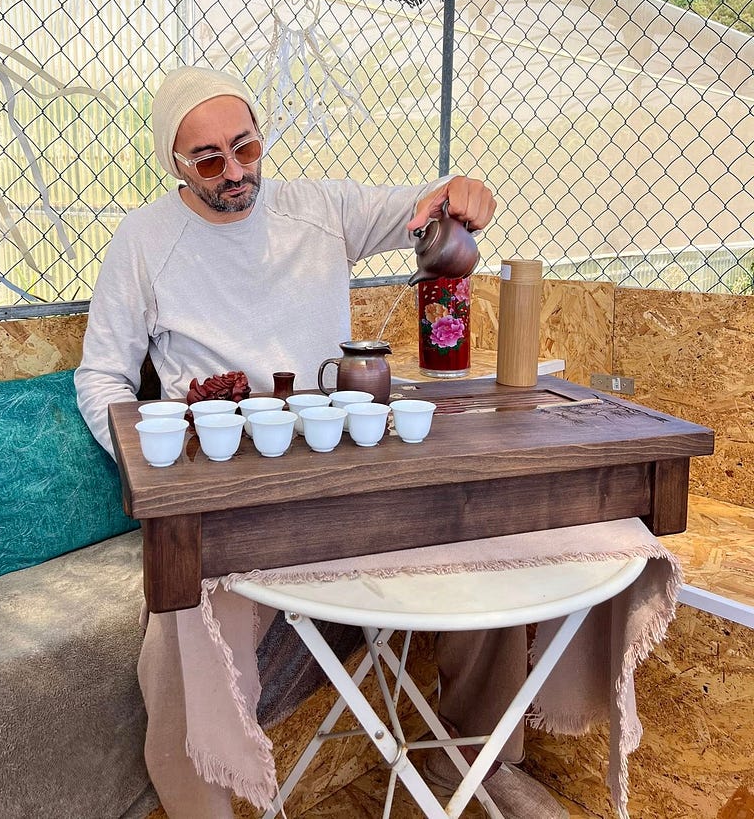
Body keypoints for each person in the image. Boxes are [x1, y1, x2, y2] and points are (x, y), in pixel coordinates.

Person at [75, 65, 567, 819]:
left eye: (246, 147)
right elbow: (102, 376)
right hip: (229, 492)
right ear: (173, 163)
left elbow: (430, 202)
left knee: (491, 535)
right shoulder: (144, 239)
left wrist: (464, 190)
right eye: (209, 159)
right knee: (181, 636)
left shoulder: (319, 207)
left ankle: (474, 761)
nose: (235, 172)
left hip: (348, 467)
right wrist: (155, 469)